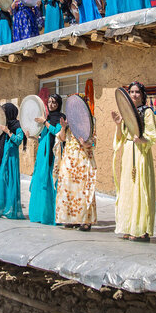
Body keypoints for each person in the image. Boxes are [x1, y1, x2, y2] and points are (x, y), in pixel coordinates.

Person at [111, 81, 156, 241]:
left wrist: (142, 140)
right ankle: (129, 226)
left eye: (137, 92)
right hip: (128, 151)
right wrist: (118, 124)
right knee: (128, 189)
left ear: (143, 95)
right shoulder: (127, 112)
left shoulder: (148, 112)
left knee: (140, 188)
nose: (134, 95)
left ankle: (142, 230)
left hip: (141, 153)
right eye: (131, 92)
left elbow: (152, 135)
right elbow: (122, 137)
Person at [54, 98, 97, 231]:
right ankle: (71, 219)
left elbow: (94, 141)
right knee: (68, 188)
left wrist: (86, 144)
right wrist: (63, 127)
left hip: (83, 158)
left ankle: (85, 220)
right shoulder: (69, 123)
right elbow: (61, 139)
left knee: (83, 189)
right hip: (69, 159)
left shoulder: (90, 121)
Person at [28, 94, 64, 225]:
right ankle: (40, 214)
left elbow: (57, 132)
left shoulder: (61, 118)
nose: (51, 104)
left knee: (50, 181)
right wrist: (31, 137)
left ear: (59, 104)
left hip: (52, 153)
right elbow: (42, 137)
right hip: (42, 153)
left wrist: (45, 122)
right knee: (41, 181)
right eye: (49, 102)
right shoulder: (47, 118)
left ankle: (50, 216)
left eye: (54, 102)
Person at [0, 103, 25, 219]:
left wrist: (8, 132)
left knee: (10, 183)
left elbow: (18, 141)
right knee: (0, 182)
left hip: (11, 159)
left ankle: (10, 211)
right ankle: (1, 209)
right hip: (1, 158)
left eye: (4, 111)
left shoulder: (17, 125)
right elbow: (0, 144)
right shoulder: (4, 126)